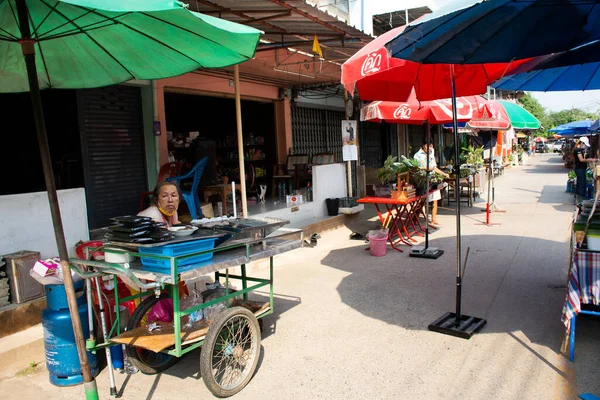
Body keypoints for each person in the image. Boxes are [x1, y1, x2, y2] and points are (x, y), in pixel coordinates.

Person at [414, 142, 450, 226]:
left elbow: (434, 167)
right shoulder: (417, 155)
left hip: (433, 179)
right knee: (422, 201)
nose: (430, 148)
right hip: (422, 180)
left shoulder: (431, 154)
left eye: (431, 146)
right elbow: (416, 168)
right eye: (428, 146)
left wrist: (444, 174)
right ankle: (415, 218)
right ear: (423, 145)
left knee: (435, 198)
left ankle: (434, 219)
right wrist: (427, 168)